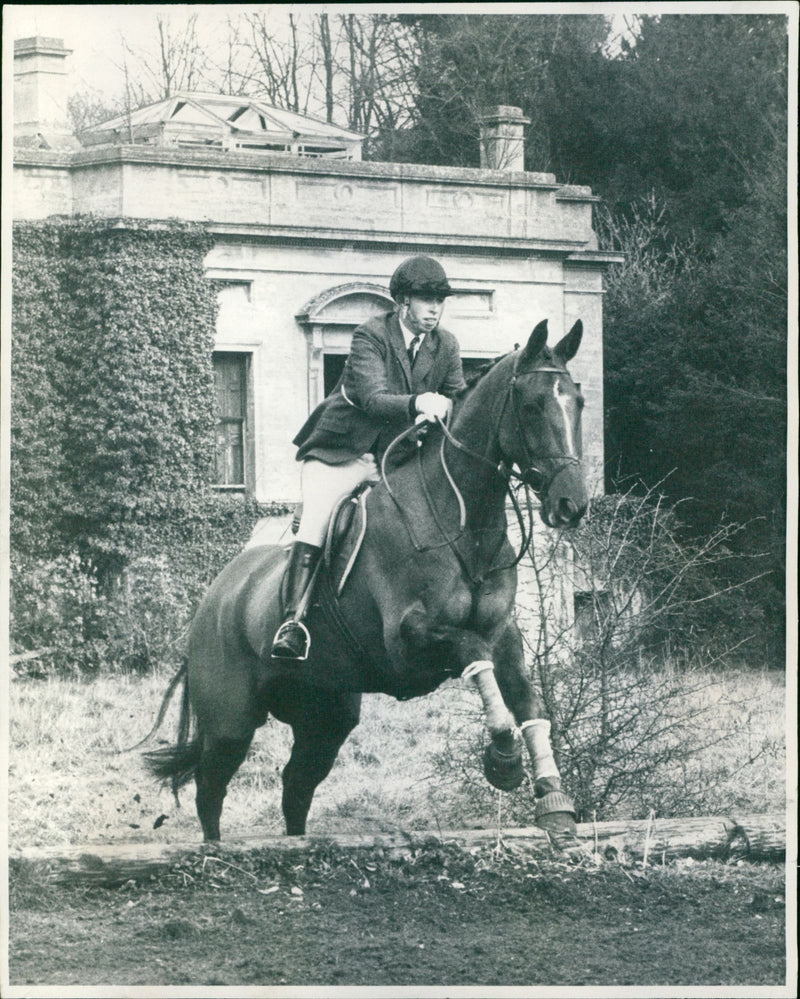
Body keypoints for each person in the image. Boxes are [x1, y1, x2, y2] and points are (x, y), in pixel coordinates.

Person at [271, 255, 467, 660]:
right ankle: (293, 623)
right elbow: (372, 399)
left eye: (439, 300)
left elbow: (458, 399)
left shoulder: (446, 344)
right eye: (425, 299)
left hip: (396, 459)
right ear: (402, 302)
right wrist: (419, 402)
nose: (434, 308)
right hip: (343, 451)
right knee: (318, 521)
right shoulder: (370, 335)